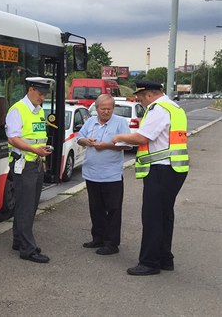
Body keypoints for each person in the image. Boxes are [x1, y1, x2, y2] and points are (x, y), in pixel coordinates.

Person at [112, 80, 188, 276]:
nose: (140, 102)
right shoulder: (175, 107)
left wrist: (119, 137)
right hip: (174, 169)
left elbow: (143, 137)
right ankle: (164, 258)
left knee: (152, 216)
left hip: (161, 169)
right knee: (164, 214)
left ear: (149, 95)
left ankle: (149, 262)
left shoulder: (158, 109)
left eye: (140, 98)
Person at [5, 77, 54, 264]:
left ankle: (19, 241)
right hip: (24, 164)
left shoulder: (38, 110)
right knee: (26, 206)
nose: (42, 98)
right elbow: (13, 139)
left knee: (29, 205)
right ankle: (28, 249)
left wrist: (42, 154)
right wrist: (35, 150)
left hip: (36, 162)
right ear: (31, 89)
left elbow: (37, 136)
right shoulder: (17, 109)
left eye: (45, 95)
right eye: (40, 94)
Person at [76, 94, 131, 255]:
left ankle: (111, 243)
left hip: (111, 174)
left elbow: (127, 146)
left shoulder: (120, 122)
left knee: (113, 209)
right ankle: (98, 238)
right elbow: (79, 138)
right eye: (103, 109)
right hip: (92, 173)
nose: (106, 112)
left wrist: (106, 145)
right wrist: (86, 141)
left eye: (109, 109)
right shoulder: (90, 121)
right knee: (96, 208)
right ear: (96, 108)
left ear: (113, 108)